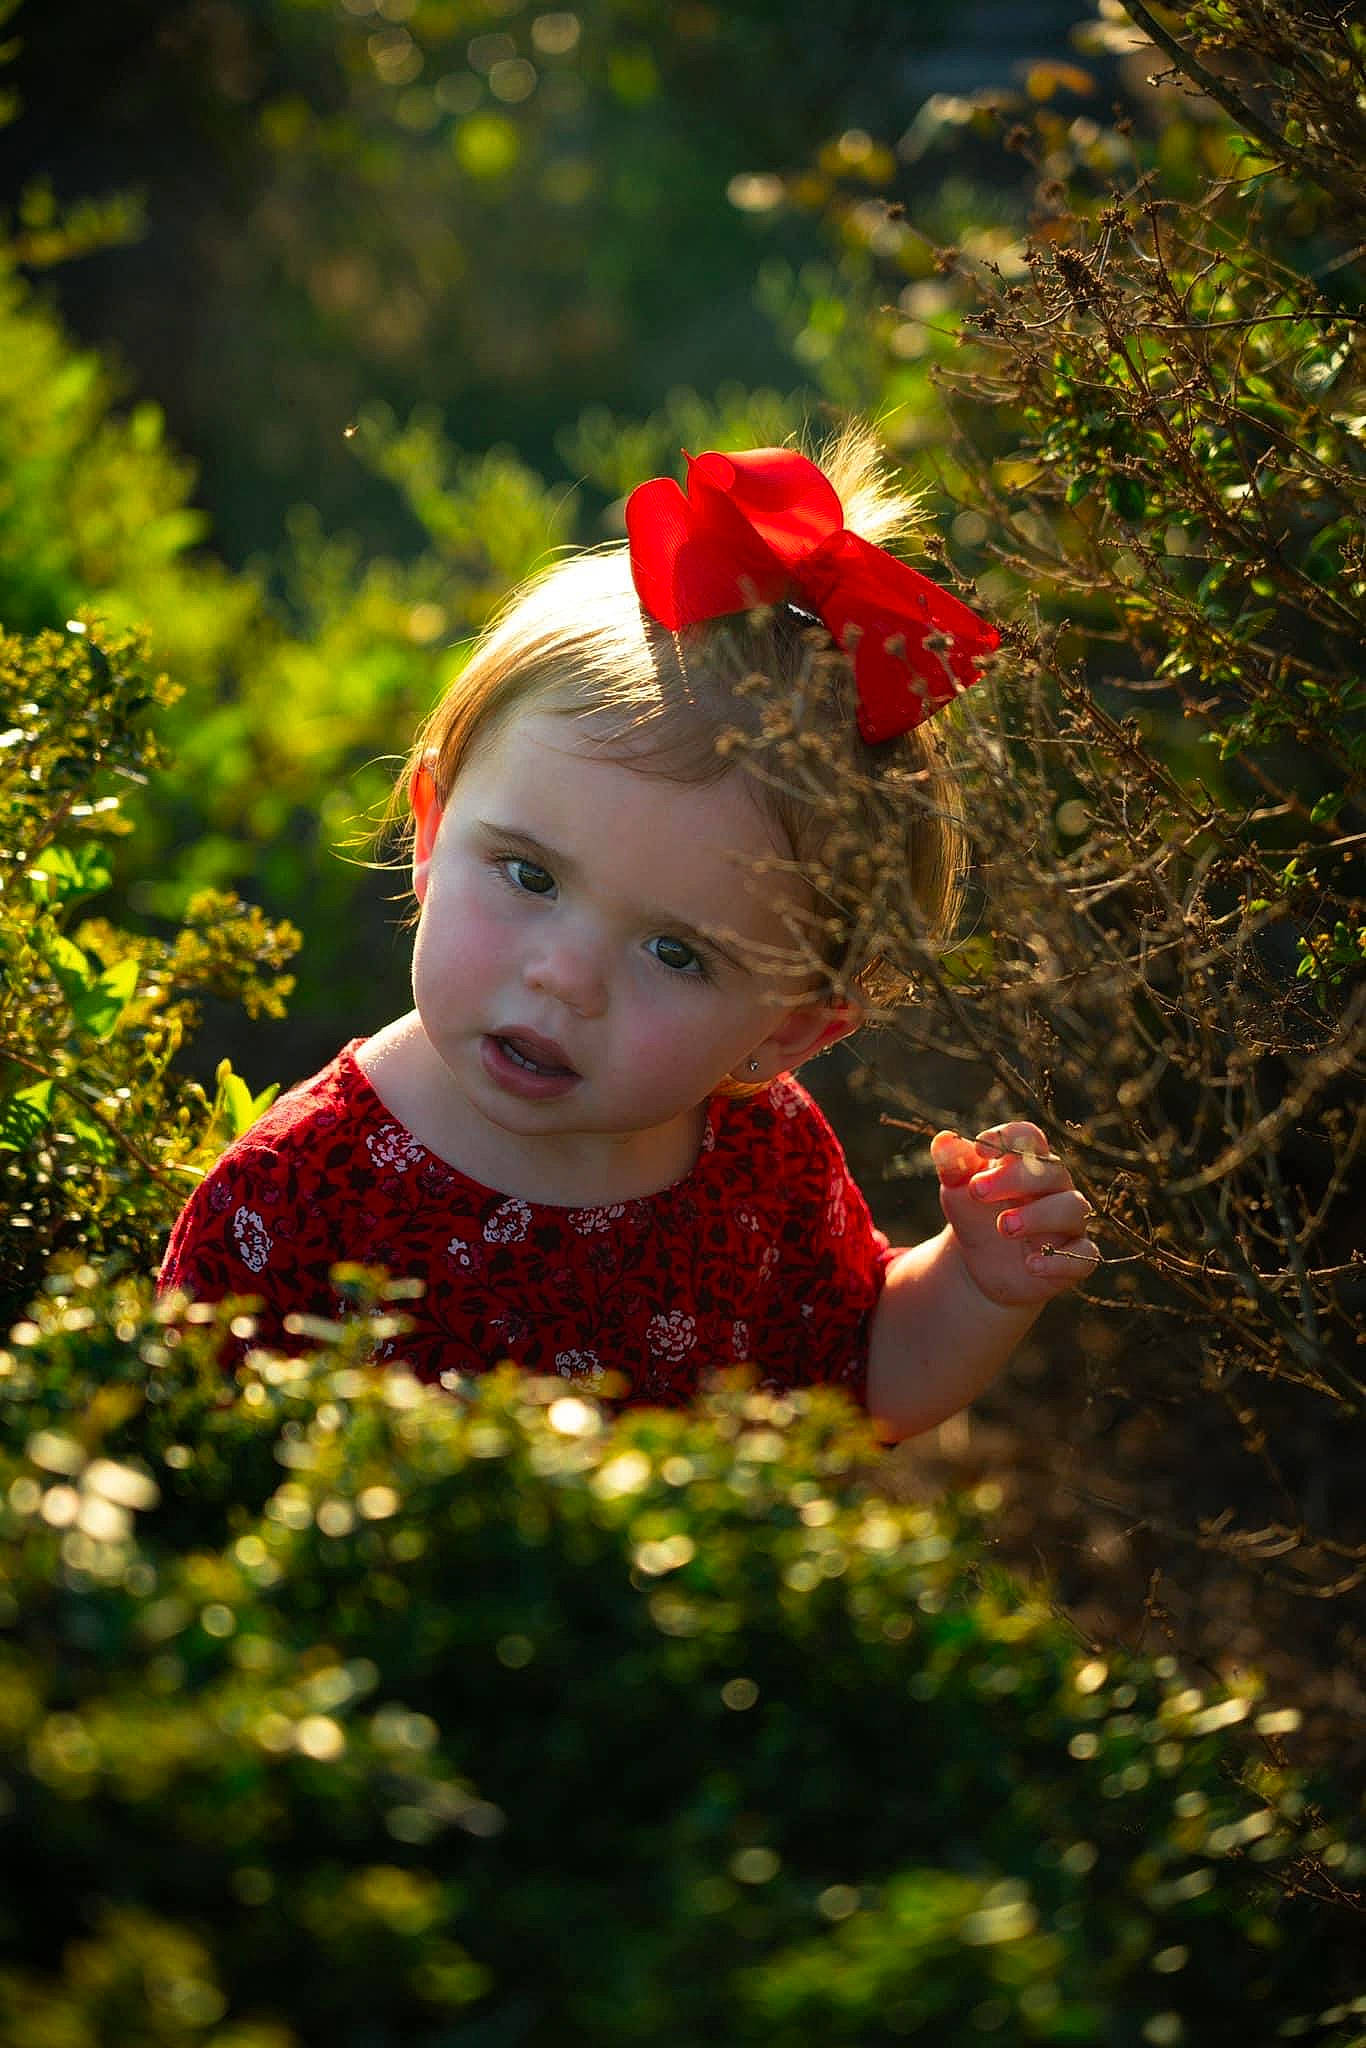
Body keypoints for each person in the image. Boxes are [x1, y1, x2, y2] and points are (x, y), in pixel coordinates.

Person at [159, 428, 1098, 1439]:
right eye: (528, 875)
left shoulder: (761, 1156)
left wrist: (974, 1283)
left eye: (675, 951)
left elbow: (856, 1376)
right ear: (431, 829)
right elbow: (189, 1483)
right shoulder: (294, 1199)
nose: (564, 976)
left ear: (788, 1029)